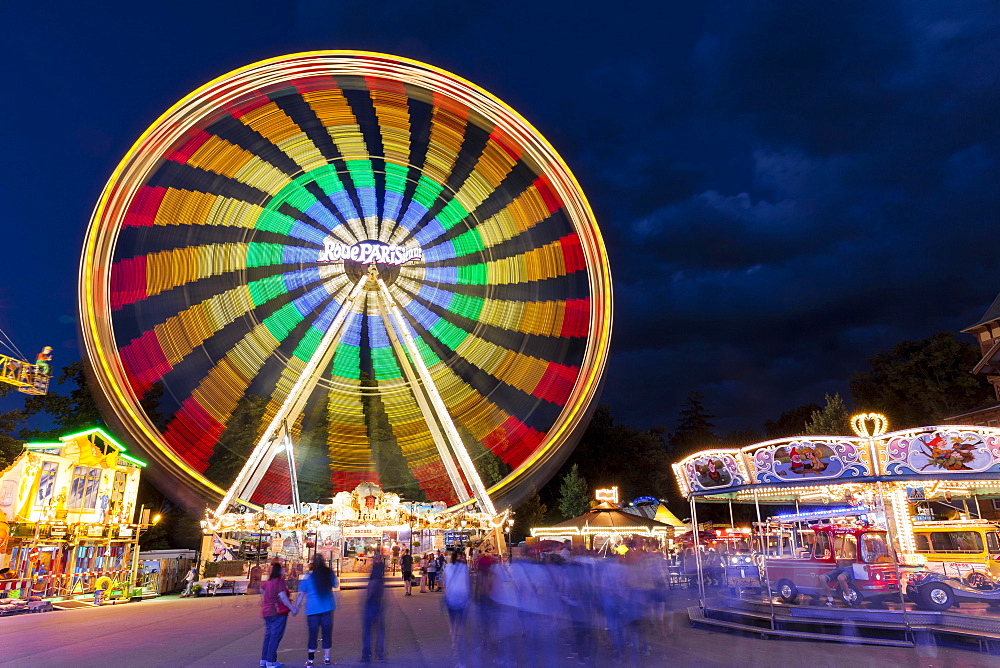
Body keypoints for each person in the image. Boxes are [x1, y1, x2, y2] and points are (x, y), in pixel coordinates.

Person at [297, 554, 338, 666]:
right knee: (327, 633)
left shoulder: (308, 577)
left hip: (312, 609)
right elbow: (335, 585)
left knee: (313, 634)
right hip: (327, 607)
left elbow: (301, 593)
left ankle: (310, 660)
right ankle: (327, 658)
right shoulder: (329, 574)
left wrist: (296, 607)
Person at [260, 561, 299, 668]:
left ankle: (264, 659)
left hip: (266, 611)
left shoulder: (268, 582)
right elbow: (282, 596)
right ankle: (271, 661)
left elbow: (261, 590)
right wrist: (293, 609)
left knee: (268, 636)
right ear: (279, 570)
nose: (284, 570)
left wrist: (269, 598)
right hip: (277, 612)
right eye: (282, 568)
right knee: (275, 636)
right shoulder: (279, 582)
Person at [443, 551, 471, 664]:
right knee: (461, 621)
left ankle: (454, 639)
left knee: (452, 620)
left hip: (451, 597)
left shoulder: (447, 568)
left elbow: (444, 583)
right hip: (463, 597)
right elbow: (468, 583)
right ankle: (459, 639)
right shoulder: (465, 569)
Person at [361, 551, 386, 662]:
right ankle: (379, 653)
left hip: (372, 604)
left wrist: (368, 597)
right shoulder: (381, 572)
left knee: (368, 631)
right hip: (379, 603)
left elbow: (372, 587)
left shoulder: (375, 573)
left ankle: (367, 654)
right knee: (379, 630)